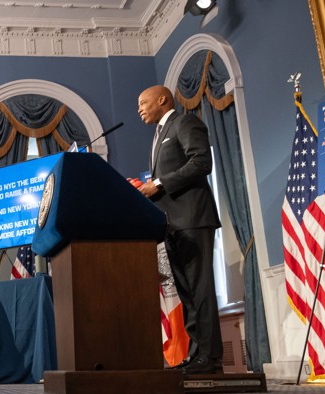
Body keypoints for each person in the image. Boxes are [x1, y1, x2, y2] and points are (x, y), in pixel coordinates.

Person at [136, 85, 223, 374]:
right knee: (186, 293)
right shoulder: (159, 134)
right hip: (172, 225)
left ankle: (210, 358)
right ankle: (197, 354)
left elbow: (201, 161)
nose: (139, 108)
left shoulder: (184, 122)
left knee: (200, 289)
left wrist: (158, 184)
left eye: (143, 102)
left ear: (162, 99)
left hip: (193, 219)